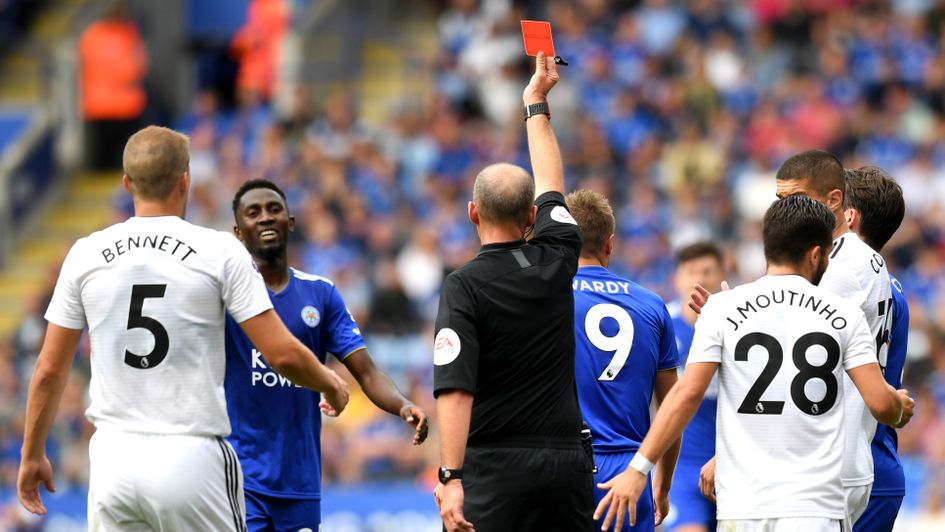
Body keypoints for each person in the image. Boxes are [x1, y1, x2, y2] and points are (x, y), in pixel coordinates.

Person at [16, 126, 348, 530]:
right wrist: (331, 383)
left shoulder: (85, 255)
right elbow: (280, 353)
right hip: (190, 456)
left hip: (112, 461)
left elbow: (49, 370)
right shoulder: (218, 251)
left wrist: (32, 454)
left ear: (126, 183)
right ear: (185, 179)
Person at [595, 194, 914, 532]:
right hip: (815, 505)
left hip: (744, 505)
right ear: (817, 254)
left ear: (767, 247)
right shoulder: (844, 315)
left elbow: (685, 394)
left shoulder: (722, 308)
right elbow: (880, 404)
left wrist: (639, 469)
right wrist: (899, 407)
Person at [690, 150, 898, 529]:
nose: (782, 209)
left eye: (794, 198)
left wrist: (736, 313)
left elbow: (790, 356)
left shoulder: (838, 267)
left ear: (835, 201)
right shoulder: (864, 258)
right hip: (842, 454)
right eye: (780, 200)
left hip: (822, 464)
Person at [432, 51, 594, 532]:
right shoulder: (557, 255)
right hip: (566, 466)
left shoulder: (463, 286)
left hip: (495, 468)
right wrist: (535, 103)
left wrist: (450, 475)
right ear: (531, 218)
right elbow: (551, 184)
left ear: (472, 213)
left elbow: (456, 389)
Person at [225, 178, 429, 531]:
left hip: (300, 480)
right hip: (241, 476)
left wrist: (401, 404)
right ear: (238, 231)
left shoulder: (320, 294)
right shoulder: (223, 296)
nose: (265, 218)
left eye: (274, 210)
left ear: (290, 223)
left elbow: (366, 372)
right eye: (253, 212)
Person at [566, 189, 680, 532]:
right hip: (631, 471)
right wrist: (662, 481)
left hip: (561, 464)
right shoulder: (652, 305)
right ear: (610, 244)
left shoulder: (546, 299)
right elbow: (672, 405)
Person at [842, 168, 909, 531]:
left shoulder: (849, 284)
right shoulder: (894, 290)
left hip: (849, 469)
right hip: (880, 463)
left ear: (849, 218)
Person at [665, 243, 725, 532]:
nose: (699, 279)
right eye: (691, 271)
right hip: (680, 467)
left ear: (722, 274)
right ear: (676, 278)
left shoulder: (740, 327)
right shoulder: (661, 325)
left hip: (733, 463)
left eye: (707, 271)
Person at [79, 2, 148, 170]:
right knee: (104, 156)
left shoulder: (129, 33)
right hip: (103, 105)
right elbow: (102, 66)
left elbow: (140, 66)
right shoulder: (94, 35)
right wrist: (126, 74)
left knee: (124, 155)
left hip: (125, 106)